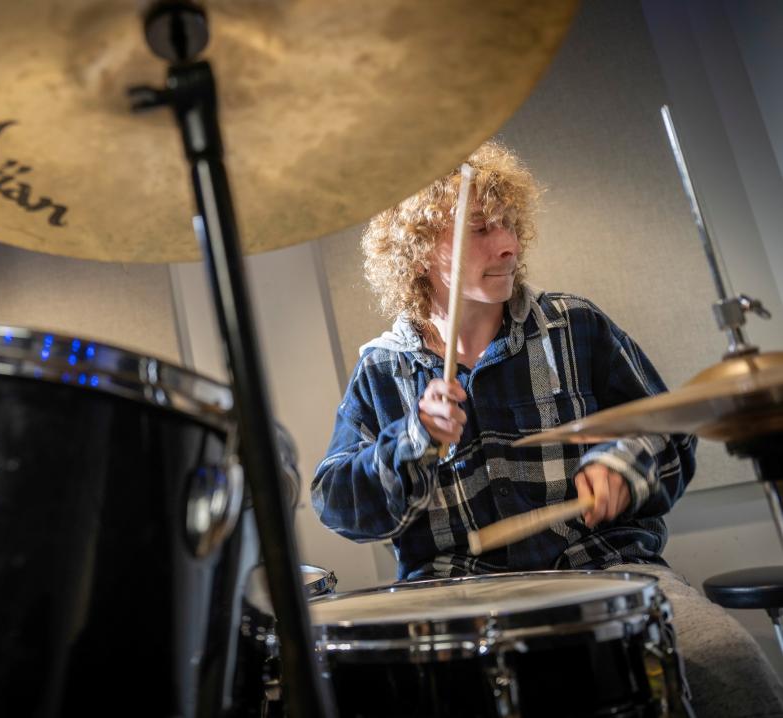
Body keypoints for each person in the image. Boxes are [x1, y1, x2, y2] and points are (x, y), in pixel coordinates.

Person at [311, 141, 783, 716]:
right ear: (416, 253)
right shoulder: (382, 369)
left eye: (510, 225)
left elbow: (669, 431)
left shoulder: (574, 324)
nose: (508, 244)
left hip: (606, 573)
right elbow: (337, 504)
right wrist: (411, 440)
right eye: (481, 228)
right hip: (452, 601)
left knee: (730, 666)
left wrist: (621, 465)